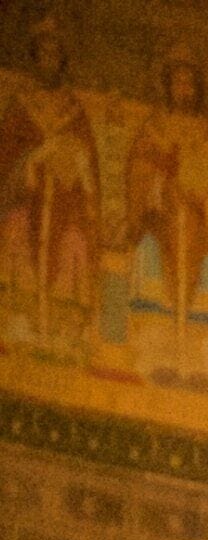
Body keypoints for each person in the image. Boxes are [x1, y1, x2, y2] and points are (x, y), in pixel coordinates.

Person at [119, 45, 208, 389]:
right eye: (177, 82)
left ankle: (201, 365)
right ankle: (157, 358)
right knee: (150, 260)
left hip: (201, 230)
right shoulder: (154, 129)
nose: (184, 88)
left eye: (189, 83)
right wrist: (160, 181)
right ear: (167, 86)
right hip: (162, 226)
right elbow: (138, 171)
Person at [0, 18, 98, 356]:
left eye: (55, 53)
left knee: (74, 245)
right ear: (34, 57)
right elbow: (6, 154)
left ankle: (63, 328)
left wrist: (77, 162)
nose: (49, 59)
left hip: (65, 204)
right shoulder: (20, 105)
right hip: (26, 200)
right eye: (44, 52)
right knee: (16, 233)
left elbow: (87, 160)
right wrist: (34, 157)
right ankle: (19, 320)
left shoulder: (73, 110)